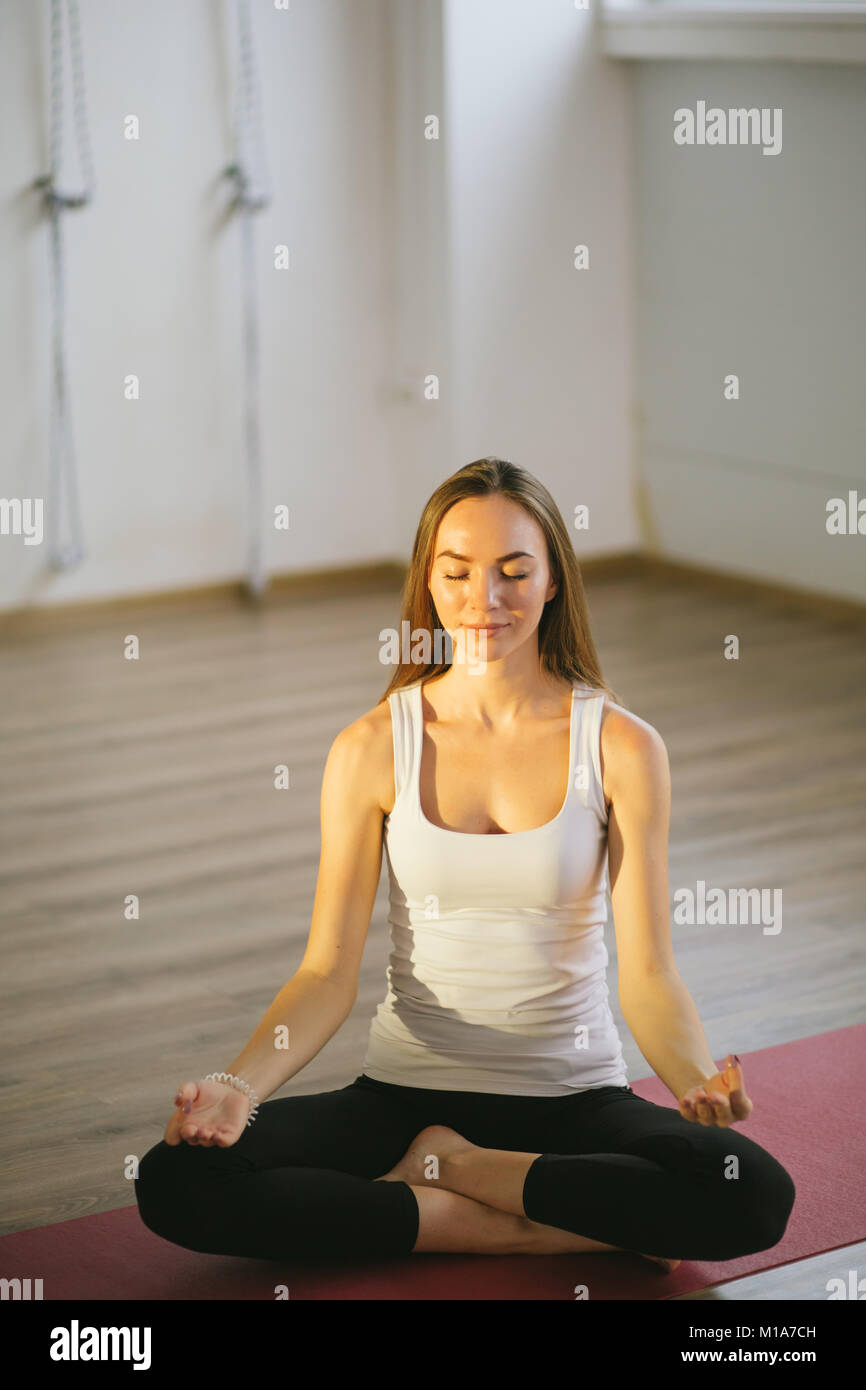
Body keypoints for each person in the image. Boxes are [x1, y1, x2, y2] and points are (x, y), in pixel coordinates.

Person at [134, 457, 795, 1269]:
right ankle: (498, 1222)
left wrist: (695, 1084)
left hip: (571, 1100)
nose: (485, 600)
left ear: (554, 581)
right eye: (458, 572)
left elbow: (650, 972)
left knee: (752, 1192)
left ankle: (459, 1177)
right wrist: (237, 1087)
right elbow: (325, 974)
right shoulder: (373, 746)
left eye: (515, 572)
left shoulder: (622, 746)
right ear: (429, 581)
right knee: (177, 1179)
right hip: (403, 1099)